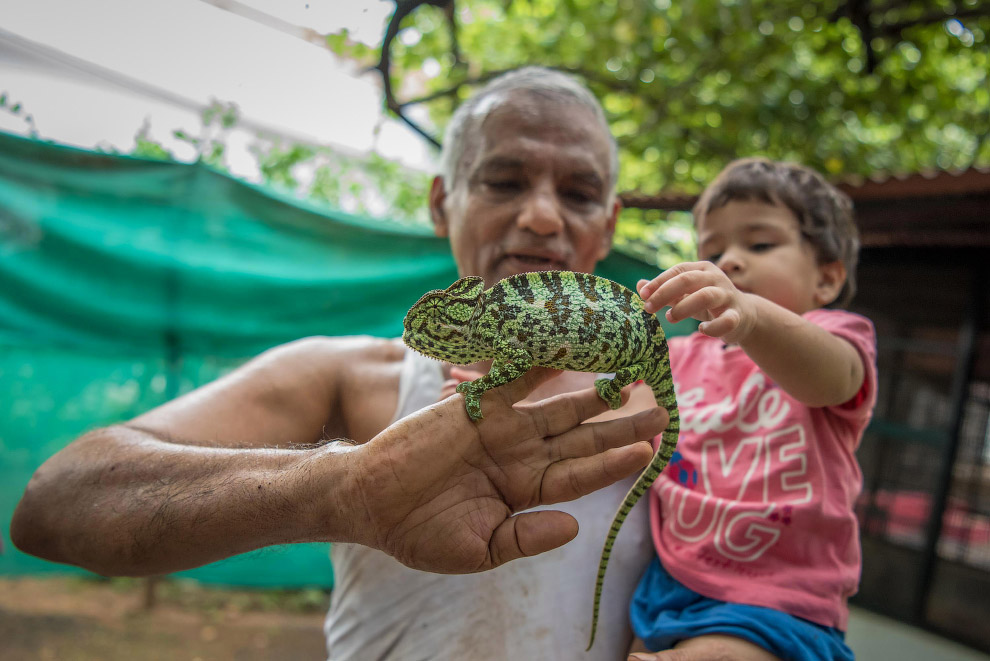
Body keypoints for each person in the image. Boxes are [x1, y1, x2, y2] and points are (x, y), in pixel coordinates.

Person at [12, 66, 668, 659]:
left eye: (578, 194)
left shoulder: (659, 405)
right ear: (443, 201)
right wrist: (345, 488)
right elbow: (56, 502)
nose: (542, 216)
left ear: (609, 226)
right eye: (503, 180)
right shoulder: (355, 377)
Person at [627, 158, 877, 661]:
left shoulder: (835, 336)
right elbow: (615, 415)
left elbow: (836, 379)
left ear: (826, 279)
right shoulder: (677, 358)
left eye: (759, 244)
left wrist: (752, 316)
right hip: (669, 580)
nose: (731, 262)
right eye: (713, 250)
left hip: (777, 598)